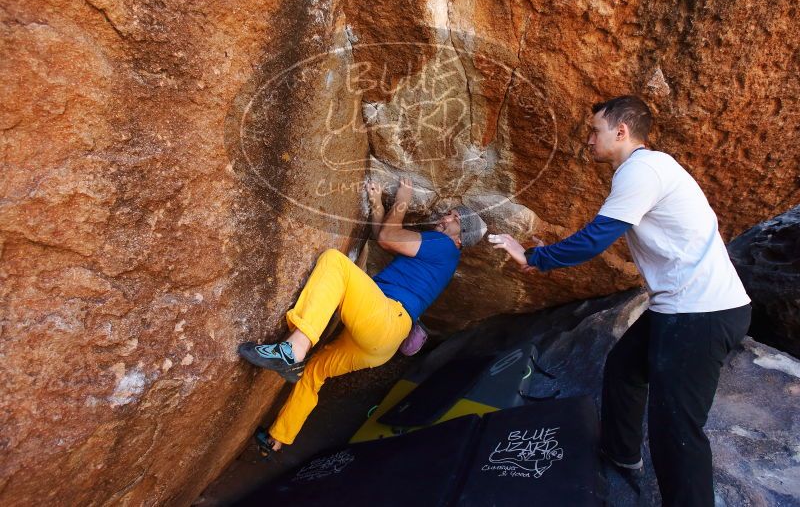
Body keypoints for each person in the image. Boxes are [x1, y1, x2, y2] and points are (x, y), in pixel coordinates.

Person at [489, 95, 751, 506]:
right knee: (625, 368)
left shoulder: (642, 170)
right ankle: (621, 455)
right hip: (684, 307)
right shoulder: (650, 167)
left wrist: (535, 258)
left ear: (622, 131)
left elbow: (596, 238)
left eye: (595, 130)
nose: (589, 139)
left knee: (676, 429)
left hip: (699, 314)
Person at [238, 176, 486, 452]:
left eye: (452, 218)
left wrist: (403, 198)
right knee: (314, 371)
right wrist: (377, 203)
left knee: (335, 263)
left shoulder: (444, 245)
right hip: (381, 344)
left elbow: (389, 237)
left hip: (387, 318)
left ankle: (293, 349)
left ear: (460, 236)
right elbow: (386, 239)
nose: (444, 218)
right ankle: (277, 439)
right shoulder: (443, 255)